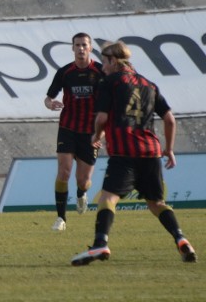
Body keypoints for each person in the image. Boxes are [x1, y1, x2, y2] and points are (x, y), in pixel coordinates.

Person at [71, 41, 197, 266]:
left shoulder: (110, 82)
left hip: (124, 152)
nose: (102, 66)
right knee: (157, 203)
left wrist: (95, 136)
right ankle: (181, 238)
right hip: (150, 152)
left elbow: (101, 118)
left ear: (113, 60)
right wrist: (168, 149)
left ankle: (100, 243)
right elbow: (169, 119)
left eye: (105, 61)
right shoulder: (150, 84)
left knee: (108, 198)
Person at [44, 32, 104, 231]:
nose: (80, 49)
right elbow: (48, 97)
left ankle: (81, 193)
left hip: (91, 132)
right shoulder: (64, 72)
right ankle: (61, 218)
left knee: (83, 180)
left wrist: (102, 132)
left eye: (84, 45)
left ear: (90, 48)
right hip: (68, 128)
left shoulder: (101, 71)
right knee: (64, 171)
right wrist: (50, 103)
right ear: (72, 48)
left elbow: (111, 104)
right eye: (77, 45)